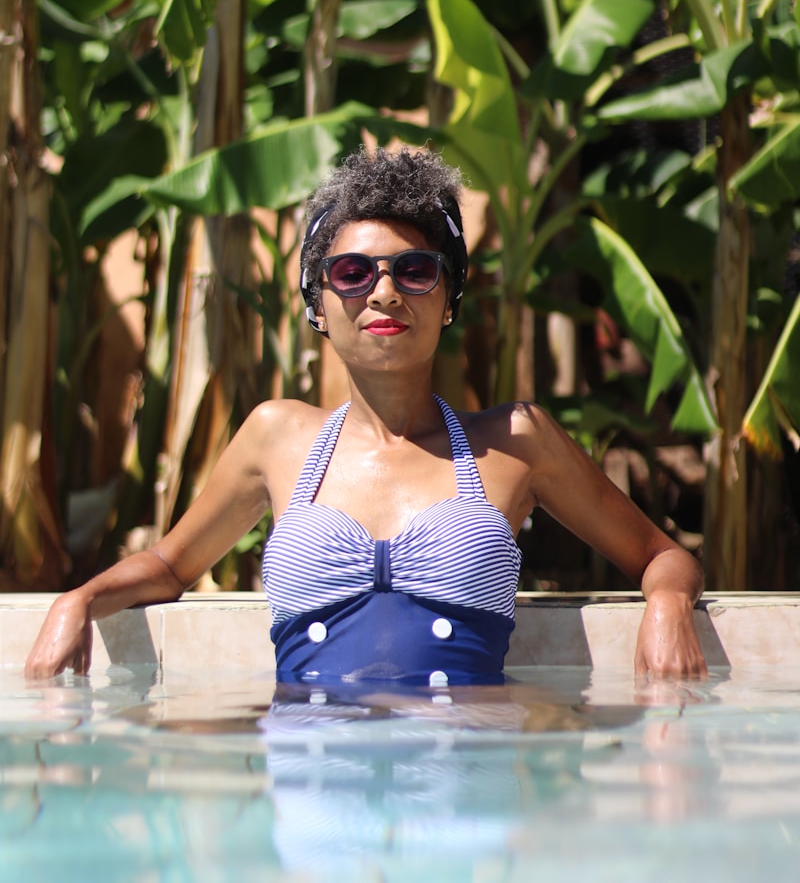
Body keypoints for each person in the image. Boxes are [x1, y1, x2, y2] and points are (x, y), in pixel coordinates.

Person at [25, 147, 708, 683]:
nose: (384, 292)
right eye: (352, 273)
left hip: (460, 784)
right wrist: (76, 601)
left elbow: (661, 557)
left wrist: (670, 604)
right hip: (316, 785)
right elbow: (171, 567)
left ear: (449, 299)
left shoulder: (515, 442)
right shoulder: (275, 436)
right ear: (319, 306)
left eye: (414, 270)